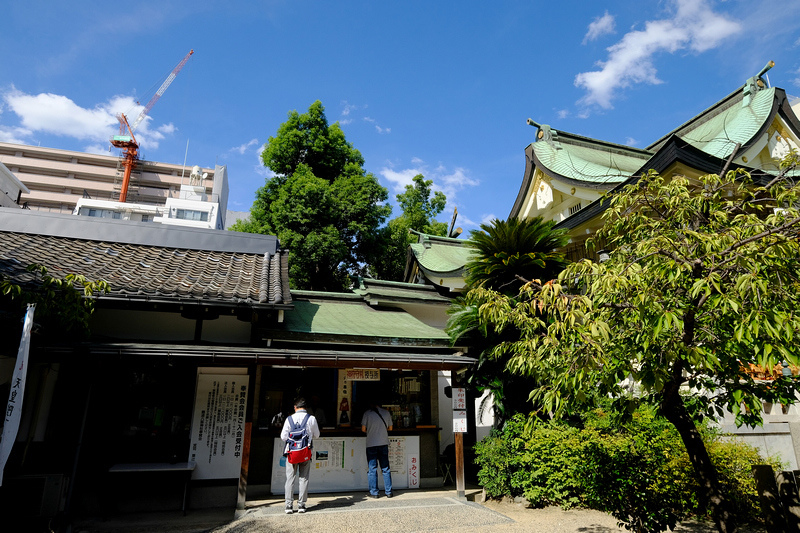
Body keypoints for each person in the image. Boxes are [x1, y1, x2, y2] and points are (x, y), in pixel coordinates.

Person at [280, 397, 320, 514]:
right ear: (306, 407)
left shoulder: (289, 419)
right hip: (305, 453)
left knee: (290, 479)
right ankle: (301, 505)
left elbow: (283, 437)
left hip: (292, 453)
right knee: (304, 478)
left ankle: (288, 506)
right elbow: (317, 435)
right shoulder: (311, 418)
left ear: (295, 407)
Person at [360, 398, 393, 498]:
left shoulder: (367, 414)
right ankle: (389, 492)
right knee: (385, 468)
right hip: (383, 443)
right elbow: (390, 428)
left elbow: (363, 429)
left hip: (371, 444)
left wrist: (371, 431)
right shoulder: (386, 413)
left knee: (372, 468)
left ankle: (374, 493)